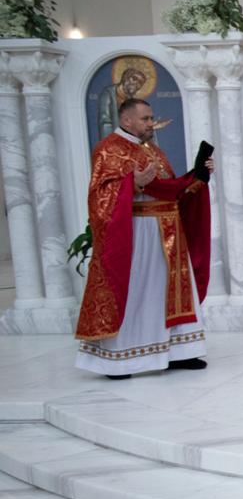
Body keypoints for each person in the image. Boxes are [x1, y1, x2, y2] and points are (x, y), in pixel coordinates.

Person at [75, 98, 213, 378]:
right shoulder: (109, 149)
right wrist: (132, 183)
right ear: (126, 120)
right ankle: (120, 360)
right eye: (146, 119)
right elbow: (100, 195)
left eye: (151, 118)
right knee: (138, 292)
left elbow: (168, 189)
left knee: (168, 294)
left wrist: (198, 176)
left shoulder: (152, 150)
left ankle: (177, 352)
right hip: (137, 235)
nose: (152, 123)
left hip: (169, 232)